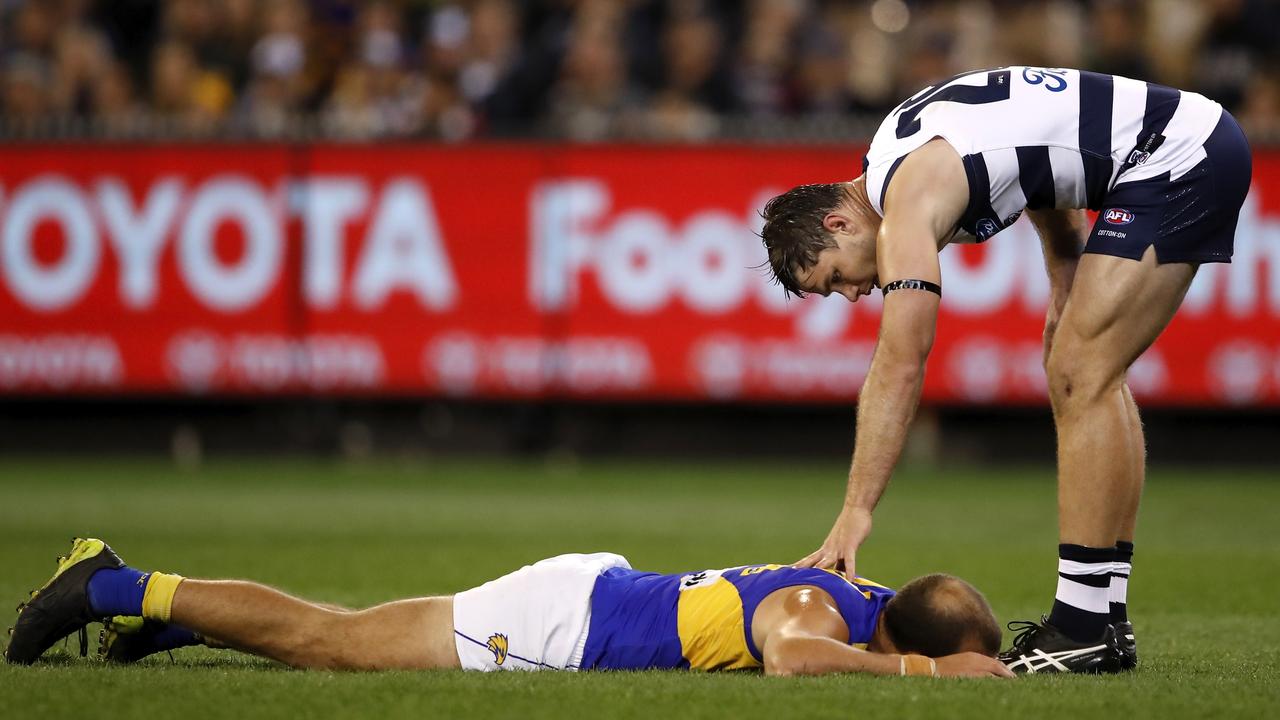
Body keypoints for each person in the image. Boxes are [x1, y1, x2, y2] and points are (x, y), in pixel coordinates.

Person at [761, 66, 1252, 674]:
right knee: (1085, 370)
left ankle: (1081, 626)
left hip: (1175, 155)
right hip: (1179, 141)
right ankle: (1104, 618)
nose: (854, 294)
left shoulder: (905, 207)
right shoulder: (896, 150)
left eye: (835, 278)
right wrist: (1064, 273)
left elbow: (901, 362)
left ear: (839, 223)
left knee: (1080, 372)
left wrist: (857, 507)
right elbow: (1036, 159)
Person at [6, 537, 1012, 678]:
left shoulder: (868, 597)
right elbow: (793, 658)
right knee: (331, 645)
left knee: (334, 636)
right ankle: (109, 583)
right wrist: (932, 672)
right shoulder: (823, 613)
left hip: (590, 595)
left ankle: (177, 620)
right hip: (560, 628)